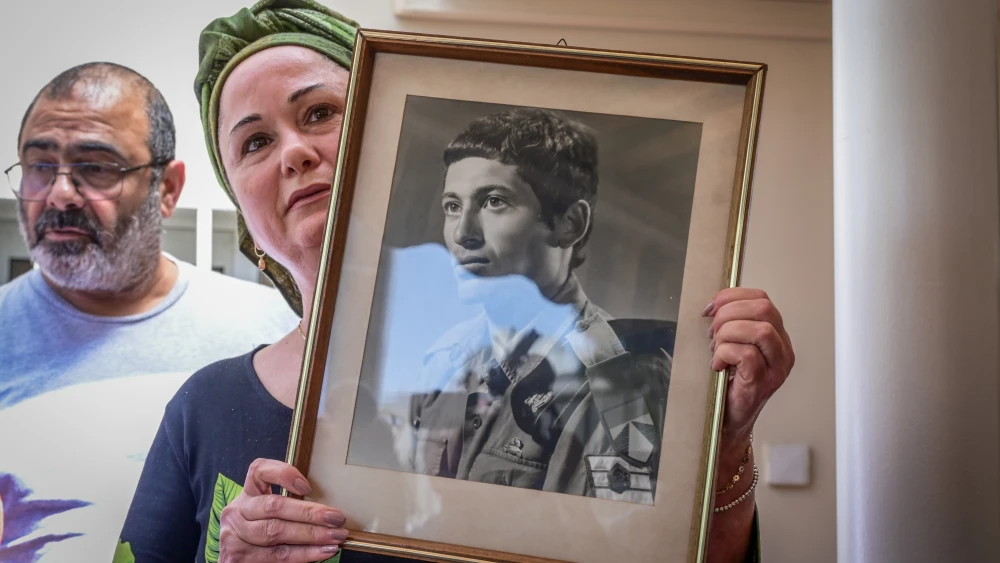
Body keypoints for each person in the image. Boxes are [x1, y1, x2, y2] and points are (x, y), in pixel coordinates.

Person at [118, 2, 794, 563]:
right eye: (254, 142)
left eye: (320, 112)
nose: (293, 150)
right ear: (242, 211)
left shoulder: (632, 380)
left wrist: (723, 450)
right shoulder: (203, 410)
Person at [0, 61, 299, 563]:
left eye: (96, 167)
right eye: (39, 166)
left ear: (167, 188)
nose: (60, 194)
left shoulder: (275, 334)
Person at [382, 108, 674, 504]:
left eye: (494, 201)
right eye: (453, 206)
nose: (462, 234)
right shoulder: (445, 359)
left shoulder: (618, 382)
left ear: (568, 223)